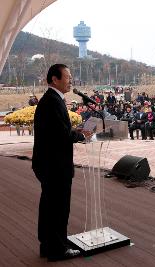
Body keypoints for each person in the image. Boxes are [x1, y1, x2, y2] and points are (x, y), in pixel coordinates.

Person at [32, 64, 86, 261]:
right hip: (55, 165)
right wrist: (81, 135)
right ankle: (58, 249)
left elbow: (58, 130)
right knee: (58, 207)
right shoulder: (53, 101)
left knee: (49, 206)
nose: (71, 80)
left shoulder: (52, 100)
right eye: (68, 76)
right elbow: (61, 134)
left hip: (48, 164)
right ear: (55, 79)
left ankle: (48, 245)